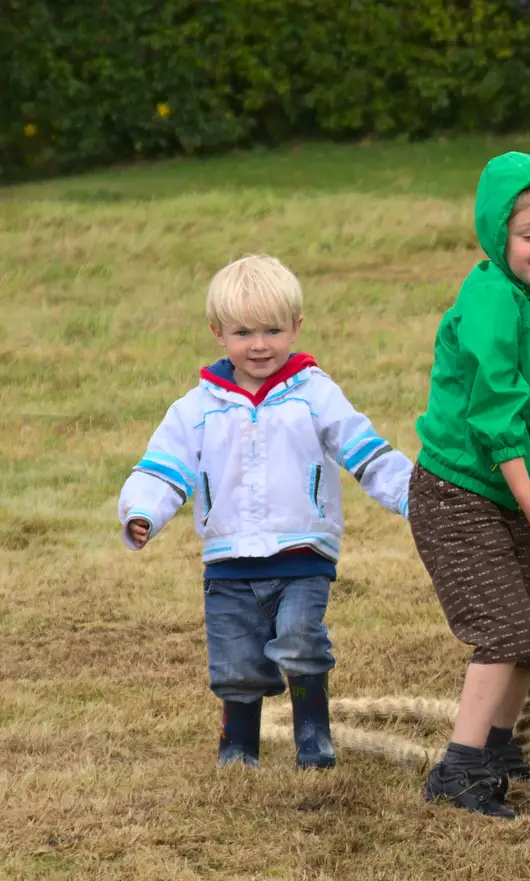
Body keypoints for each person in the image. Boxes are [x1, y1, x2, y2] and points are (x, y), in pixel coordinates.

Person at [118, 254, 412, 769]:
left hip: (302, 555)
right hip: (228, 563)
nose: (259, 345)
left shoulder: (316, 394)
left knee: (301, 645)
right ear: (218, 333)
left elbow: (366, 452)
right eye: (243, 332)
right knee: (236, 665)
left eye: (274, 330)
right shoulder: (196, 409)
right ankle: (238, 750)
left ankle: (313, 740)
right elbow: (163, 469)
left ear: (297, 327)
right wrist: (143, 510)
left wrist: (416, 495)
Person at [410, 152, 530, 820]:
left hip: (514, 493)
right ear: (499, 236)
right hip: (459, 491)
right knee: (505, 627)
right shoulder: (491, 298)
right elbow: (496, 404)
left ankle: (497, 747)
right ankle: (458, 771)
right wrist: (526, 493)